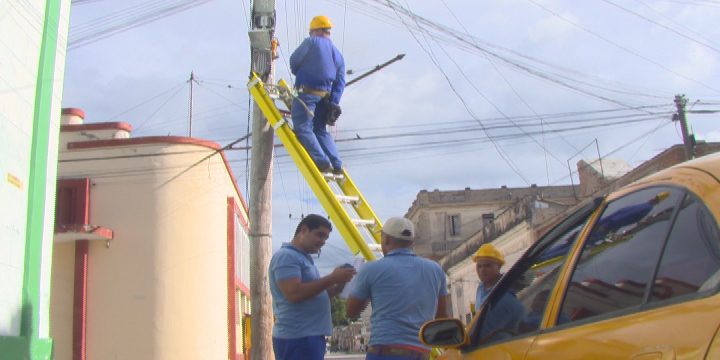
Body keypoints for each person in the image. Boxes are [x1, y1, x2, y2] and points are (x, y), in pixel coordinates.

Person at [346, 217, 449, 360]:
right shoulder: (436, 270)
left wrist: (367, 295)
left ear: (386, 239)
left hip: (383, 351)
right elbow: (442, 317)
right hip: (420, 353)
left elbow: (351, 312)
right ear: (412, 242)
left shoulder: (371, 269)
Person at [270, 214, 357, 360]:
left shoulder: (304, 259)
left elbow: (314, 293)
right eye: (320, 235)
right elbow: (294, 293)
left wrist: (339, 285)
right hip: (297, 337)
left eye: (326, 238)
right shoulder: (286, 256)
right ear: (303, 230)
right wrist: (332, 278)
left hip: (307, 337)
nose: (323, 241)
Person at [289, 15, 346, 174]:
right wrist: (333, 102)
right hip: (326, 97)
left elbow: (294, 61)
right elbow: (341, 81)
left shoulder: (311, 42)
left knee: (302, 127)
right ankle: (337, 164)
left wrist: (299, 72)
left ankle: (322, 162)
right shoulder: (337, 54)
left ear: (315, 30)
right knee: (320, 129)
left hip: (307, 93)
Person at [472, 244, 525, 343]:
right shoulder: (480, 288)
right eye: (479, 266)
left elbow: (486, 331)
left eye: (487, 266)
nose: (482, 270)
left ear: (499, 266)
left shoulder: (505, 293)